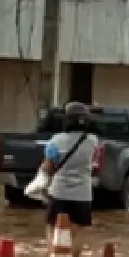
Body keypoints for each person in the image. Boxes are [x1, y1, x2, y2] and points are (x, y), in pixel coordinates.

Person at [36, 102, 99, 242]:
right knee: (78, 233)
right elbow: (96, 164)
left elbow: (48, 167)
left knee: (52, 228)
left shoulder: (56, 140)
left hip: (59, 193)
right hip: (83, 195)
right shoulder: (93, 141)